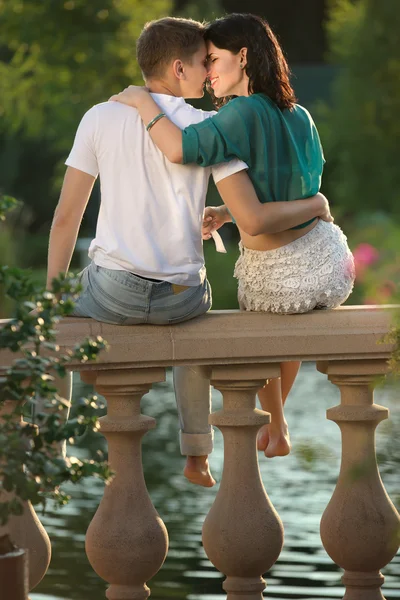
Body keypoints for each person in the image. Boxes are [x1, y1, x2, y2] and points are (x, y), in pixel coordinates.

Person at [47, 16, 333, 486]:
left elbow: (64, 218)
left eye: (213, 61)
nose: (209, 74)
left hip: (114, 293)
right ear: (180, 69)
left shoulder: (100, 116)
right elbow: (250, 206)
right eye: (204, 62)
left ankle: (51, 445)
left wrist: (51, 297)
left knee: (54, 321)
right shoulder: (213, 123)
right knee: (192, 325)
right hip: (183, 296)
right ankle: (197, 454)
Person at [109, 13, 355, 461]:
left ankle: (277, 425)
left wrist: (144, 103)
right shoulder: (300, 114)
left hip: (282, 274)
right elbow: (289, 188)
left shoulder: (240, 111)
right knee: (287, 317)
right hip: (328, 262)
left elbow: (181, 149)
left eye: (215, 59)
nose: (209, 72)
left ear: (243, 57)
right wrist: (228, 212)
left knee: (258, 307)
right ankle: (279, 427)